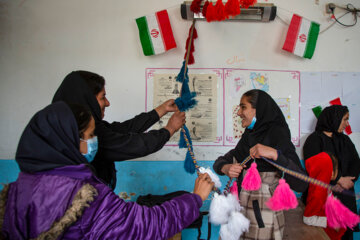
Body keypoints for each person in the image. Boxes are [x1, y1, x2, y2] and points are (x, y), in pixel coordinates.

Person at [0, 102, 214, 239]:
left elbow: (125, 130)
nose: (96, 142)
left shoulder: (15, 193)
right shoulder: (85, 197)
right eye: (91, 135)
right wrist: (194, 199)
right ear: (71, 141)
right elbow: (146, 226)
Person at [52, 70, 185, 189]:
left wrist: (161, 110)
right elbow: (132, 145)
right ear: (88, 100)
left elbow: (123, 129)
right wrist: (170, 129)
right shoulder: (86, 134)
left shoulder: (75, 127)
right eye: (102, 97)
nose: (107, 103)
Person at [213, 89, 308, 240]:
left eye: (243, 107)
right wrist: (226, 168)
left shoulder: (279, 137)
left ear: (259, 110)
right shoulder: (248, 138)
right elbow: (219, 162)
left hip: (263, 223)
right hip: (239, 217)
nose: (238, 113)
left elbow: (301, 184)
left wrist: (275, 155)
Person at [303, 105, 360, 240]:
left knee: (346, 234)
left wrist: (349, 181)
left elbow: (356, 162)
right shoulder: (314, 140)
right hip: (325, 197)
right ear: (334, 119)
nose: (347, 124)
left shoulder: (345, 140)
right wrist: (339, 179)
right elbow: (314, 167)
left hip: (345, 197)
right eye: (344, 119)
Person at [302, 152, 347, 240]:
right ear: (330, 171)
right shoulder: (318, 193)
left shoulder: (324, 189)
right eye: (337, 168)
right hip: (322, 234)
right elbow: (307, 219)